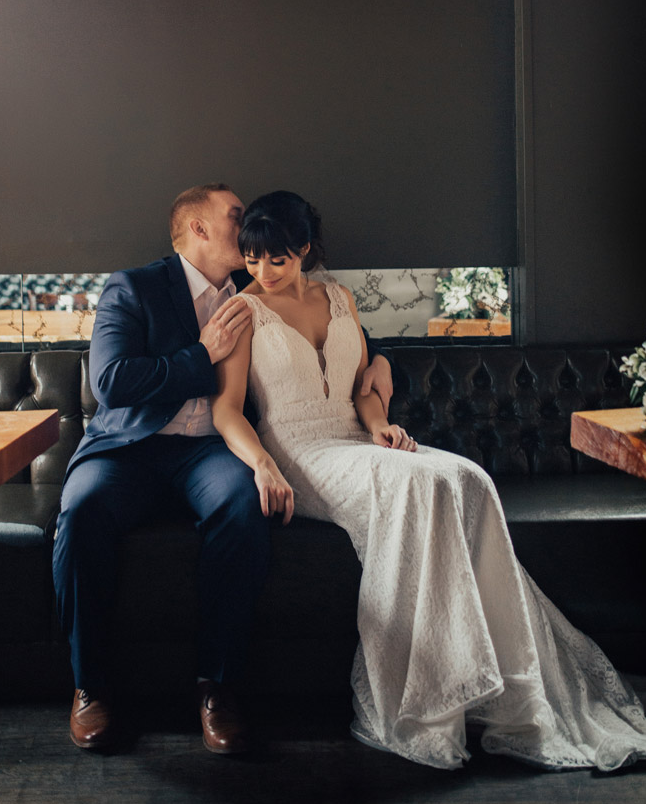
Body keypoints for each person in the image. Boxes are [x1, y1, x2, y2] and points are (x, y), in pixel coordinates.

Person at [210, 190, 646, 771]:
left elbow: (361, 388)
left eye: (276, 258)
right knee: (418, 487)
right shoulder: (243, 312)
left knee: (467, 477)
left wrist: (380, 426)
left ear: (304, 249)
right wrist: (263, 466)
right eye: (252, 259)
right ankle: (426, 700)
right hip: (300, 452)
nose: (262, 272)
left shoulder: (341, 297)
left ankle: (500, 686)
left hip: (357, 439)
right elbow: (227, 409)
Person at [52, 183, 392, 753]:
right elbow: (110, 384)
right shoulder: (132, 287)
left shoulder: (258, 283)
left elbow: (342, 337)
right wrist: (201, 354)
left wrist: (384, 361)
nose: (250, 225)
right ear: (200, 230)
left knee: (241, 506)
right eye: (236, 216)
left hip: (211, 450)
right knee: (81, 511)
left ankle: (219, 686)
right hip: (129, 448)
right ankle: (91, 685)